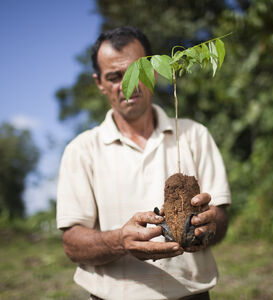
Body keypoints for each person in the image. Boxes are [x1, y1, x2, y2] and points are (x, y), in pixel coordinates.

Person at [56, 26, 231, 300]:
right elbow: (72, 244)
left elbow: (219, 216)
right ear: (99, 83)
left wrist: (209, 224)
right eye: (114, 77)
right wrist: (119, 241)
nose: (129, 84)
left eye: (138, 70)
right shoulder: (81, 150)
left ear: (155, 70)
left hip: (191, 294)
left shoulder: (194, 135)